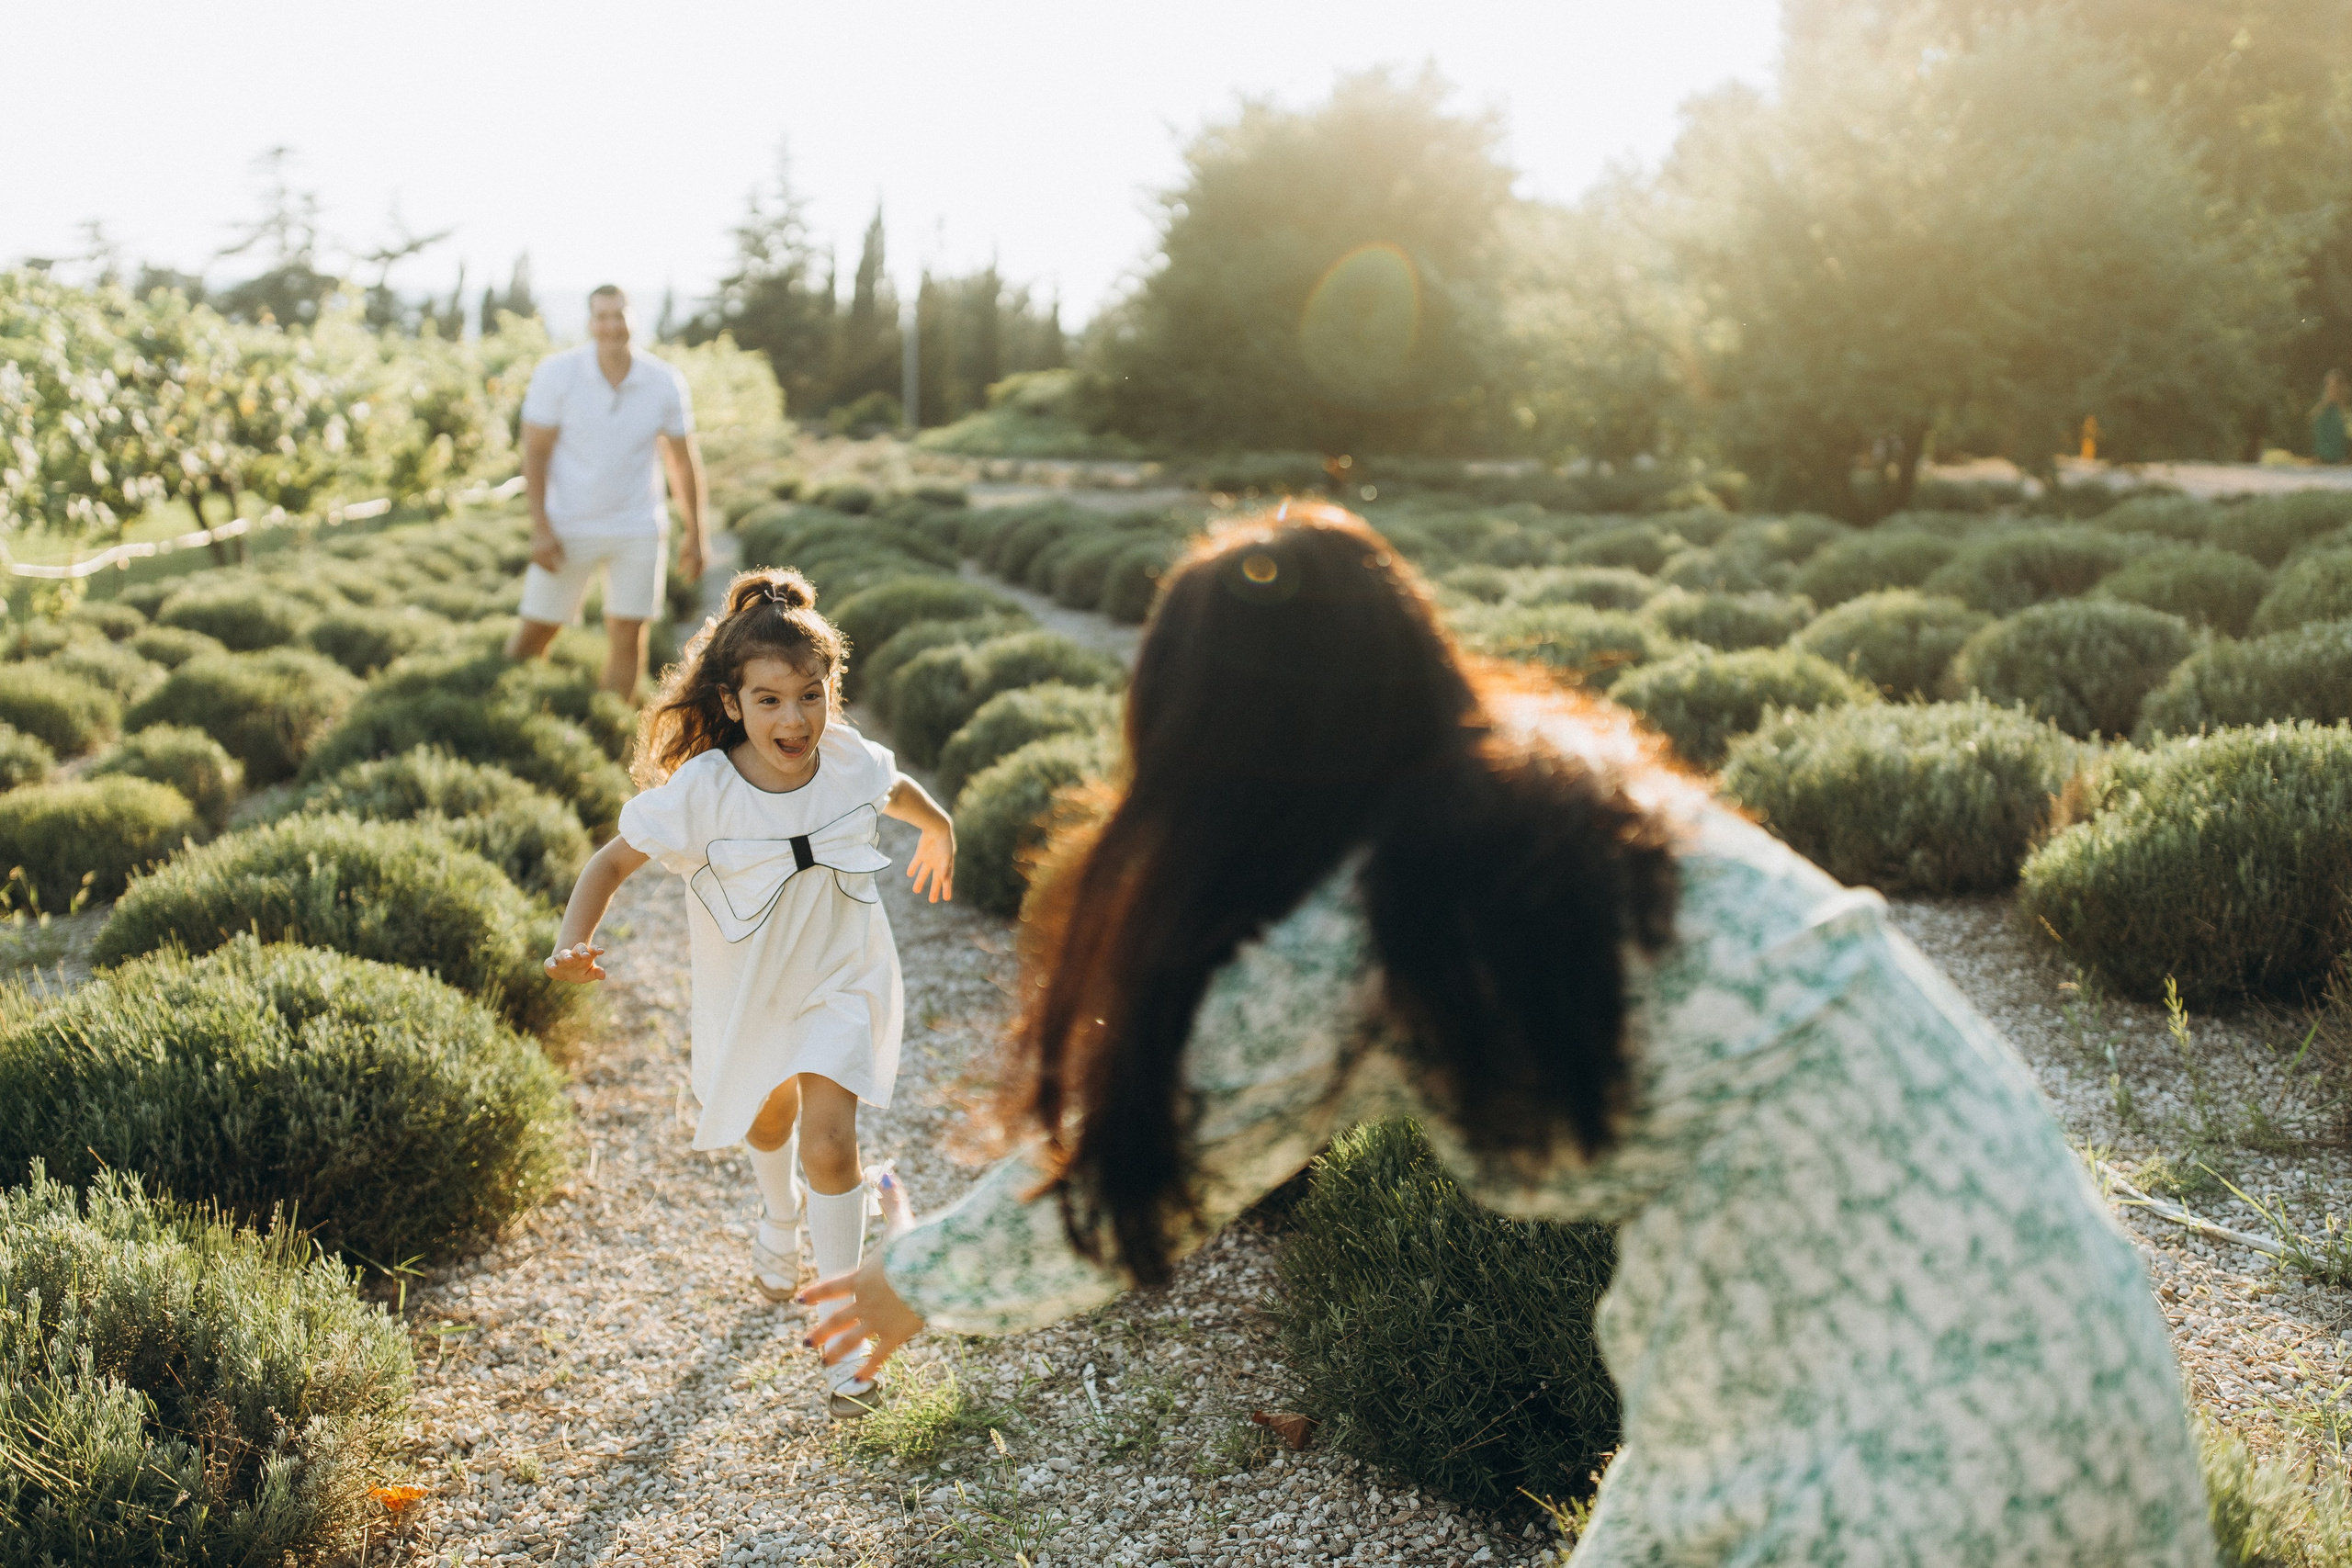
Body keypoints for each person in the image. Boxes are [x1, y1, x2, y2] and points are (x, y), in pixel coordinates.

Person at [805, 507, 2216, 1561]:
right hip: (2081, 1341)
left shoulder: (1356, 905)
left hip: (1882, 1431)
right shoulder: (1595, 800)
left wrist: (911, 1278)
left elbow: (1154, 1161)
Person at [546, 568, 956, 1417]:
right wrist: (570, 940)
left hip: (841, 979)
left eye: (811, 696)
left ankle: (845, 1341)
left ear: (832, 691)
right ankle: (777, 1212)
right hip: (753, 994)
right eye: (769, 701)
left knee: (831, 1141)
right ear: (732, 703)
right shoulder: (705, 790)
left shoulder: (847, 761)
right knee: (769, 1120)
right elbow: (610, 863)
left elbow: (895, 788)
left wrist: (939, 827)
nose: (793, 720)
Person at [507, 285, 708, 699]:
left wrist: (696, 533)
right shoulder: (556, 373)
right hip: (567, 524)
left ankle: (611, 722)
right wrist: (541, 528)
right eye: (602, 317)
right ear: (589, 323)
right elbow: (535, 454)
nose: (611, 326)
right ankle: (512, 705)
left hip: (637, 526)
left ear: (633, 318)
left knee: (628, 632)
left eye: (619, 315)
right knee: (538, 627)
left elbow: (682, 461)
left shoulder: (663, 380)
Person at [2312, 369, 2348, 465]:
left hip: (2341, 460)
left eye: (2334, 387)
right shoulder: (2321, 410)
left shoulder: (2343, 410)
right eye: (2328, 386)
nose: (2330, 389)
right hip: (2322, 459)